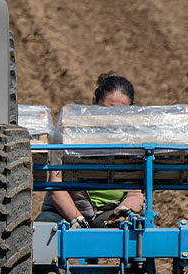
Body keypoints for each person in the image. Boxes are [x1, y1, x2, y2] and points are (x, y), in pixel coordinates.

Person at [45, 74, 147, 226]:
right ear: (94, 102)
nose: (113, 119)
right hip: (65, 210)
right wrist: (77, 219)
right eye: (107, 110)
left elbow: (135, 193)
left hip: (110, 210)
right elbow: (56, 186)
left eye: (121, 113)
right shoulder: (69, 133)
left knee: (120, 234)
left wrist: (121, 211)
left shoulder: (135, 143)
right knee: (45, 233)